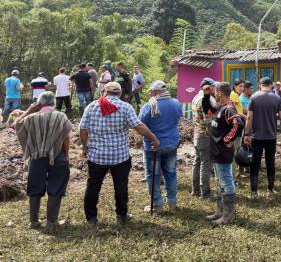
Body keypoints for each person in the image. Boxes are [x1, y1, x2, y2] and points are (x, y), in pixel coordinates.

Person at [79, 82, 160, 225]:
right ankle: (121, 216)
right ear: (120, 93)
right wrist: (153, 138)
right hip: (120, 157)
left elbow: (83, 129)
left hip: (97, 156)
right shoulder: (125, 107)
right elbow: (138, 126)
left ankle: (91, 218)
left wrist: (85, 147)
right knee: (121, 186)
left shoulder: (91, 107)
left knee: (93, 186)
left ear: (104, 92)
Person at [14, 92, 72, 231]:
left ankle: (33, 222)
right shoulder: (60, 116)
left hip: (36, 156)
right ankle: (52, 223)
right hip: (57, 155)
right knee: (56, 186)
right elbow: (66, 138)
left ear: (39, 103)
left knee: (34, 186)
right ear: (53, 102)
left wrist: (29, 110)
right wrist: (67, 154)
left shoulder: (32, 117)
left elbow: (15, 125)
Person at [139, 80, 182, 214]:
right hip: (171, 143)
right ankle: (172, 203)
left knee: (153, 175)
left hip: (153, 146)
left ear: (156, 92)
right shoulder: (176, 103)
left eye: (151, 92)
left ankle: (157, 205)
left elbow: (139, 124)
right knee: (171, 173)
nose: (150, 94)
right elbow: (177, 119)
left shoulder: (149, 106)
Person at [206, 82, 243, 225]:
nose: (214, 94)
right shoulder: (220, 108)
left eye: (215, 92)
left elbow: (238, 124)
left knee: (226, 182)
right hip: (216, 152)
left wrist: (228, 139)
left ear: (220, 93)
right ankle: (220, 211)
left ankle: (228, 216)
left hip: (222, 152)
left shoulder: (228, 109)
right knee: (219, 182)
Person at [244, 77, 281, 198]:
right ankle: (270, 190)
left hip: (256, 137)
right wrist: (273, 115)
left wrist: (246, 134)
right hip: (271, 136)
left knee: (255, 163)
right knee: (270, 163)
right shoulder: (277, 98)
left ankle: (254, 192)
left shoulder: (254, 97)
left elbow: (249, 118)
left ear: (260, 85)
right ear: (271, 85)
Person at [191, 78, 218, 198]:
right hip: (205, 135)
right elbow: (208, 121)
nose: (215, 89)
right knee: (206, 164)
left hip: (197, 134)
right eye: (213, 87)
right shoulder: (206, 99)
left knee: (197, 163)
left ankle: (195, 190)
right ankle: (205, 192)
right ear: (208, 87)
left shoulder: (195, 97)